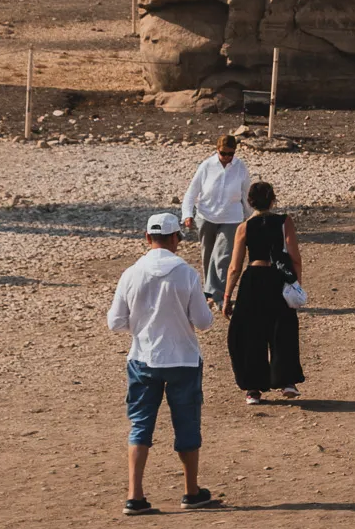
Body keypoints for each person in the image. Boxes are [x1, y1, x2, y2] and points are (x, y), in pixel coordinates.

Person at [107, 211, 221, 514]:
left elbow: (115, 321)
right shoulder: (186, 274)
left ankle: (135, 494)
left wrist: (141, 328)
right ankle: (191, 491)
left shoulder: (131, 273)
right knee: (187, 423)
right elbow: (203, 321)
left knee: (141, 424)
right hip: (182, 358)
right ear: (176, 240)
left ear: (147, 238)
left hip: (143, 358)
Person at [222, 180, 305, 403]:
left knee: (250, 333)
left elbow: (234, 266)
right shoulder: (284, 222)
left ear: (249, 202)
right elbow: (295, 257)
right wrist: (296, 284)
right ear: (273, 200)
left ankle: (253, 389)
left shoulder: (244, 227)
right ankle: (287, 382)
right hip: (278, 278)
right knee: (282, 329)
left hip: (253, 279)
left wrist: (227, 296)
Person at [180, 134, 249, 306]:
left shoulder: (241, 168)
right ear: (217, 150)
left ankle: (218, 296)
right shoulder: (206, 166)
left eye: (230, 154)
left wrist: (251, 218)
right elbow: (192, 191)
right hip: (206, 216)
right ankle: (208, 292)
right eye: (223, 153)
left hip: (232, 217)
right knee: (208, 254)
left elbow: (247, 195)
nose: (226, 157)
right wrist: (187, 214)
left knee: (223, 256)